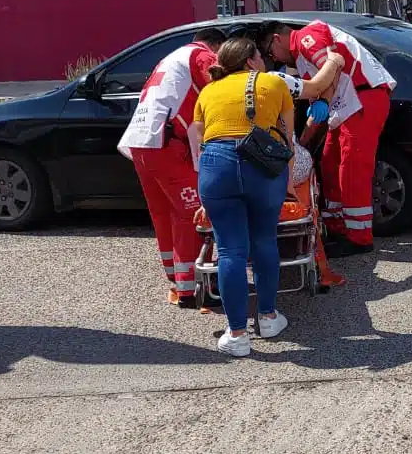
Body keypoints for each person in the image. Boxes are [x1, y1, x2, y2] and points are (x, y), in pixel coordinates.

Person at [188, 38, 296, 357]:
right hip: (261, 166)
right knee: (264, 241)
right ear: (250, 61)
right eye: (260, 56)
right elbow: (286, 139)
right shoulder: (273, 84)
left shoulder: (207, 92)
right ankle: (268, 317)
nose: (264, 60)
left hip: (216, 167)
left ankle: (236, 334)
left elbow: (199, 141)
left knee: (230, 250)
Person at [264, 19, 395, 257]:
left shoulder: (307, 36)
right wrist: (300, 145)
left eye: (271, 53)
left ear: (276, 39)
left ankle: (359, 237)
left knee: (352, 167)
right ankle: (337, 226)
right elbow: (317, 111)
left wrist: (323, 102)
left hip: (363, 96)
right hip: (347, 104)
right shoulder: (302, 61)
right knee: (329, 163)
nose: (275, 59)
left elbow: (331, 68)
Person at [117, 26, 226, 306]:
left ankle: (176, 277)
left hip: (143, 141)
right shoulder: (202, 56)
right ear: (216, 47)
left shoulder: (172, 57)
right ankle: (192, 290)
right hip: (167, 144)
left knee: (163, 211)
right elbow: (222, 90)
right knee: (191, 212)